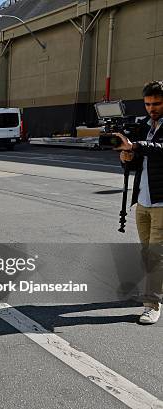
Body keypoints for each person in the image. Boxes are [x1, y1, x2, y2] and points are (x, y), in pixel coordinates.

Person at [116, 80, 163, 324]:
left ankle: (151, 304)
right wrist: (127, 157)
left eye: (156, 103)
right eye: (147, 104)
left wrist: (137, 146)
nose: (151, 108)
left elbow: (160, 149)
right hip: (143, 200)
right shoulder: (143, 125)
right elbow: (137, 162)